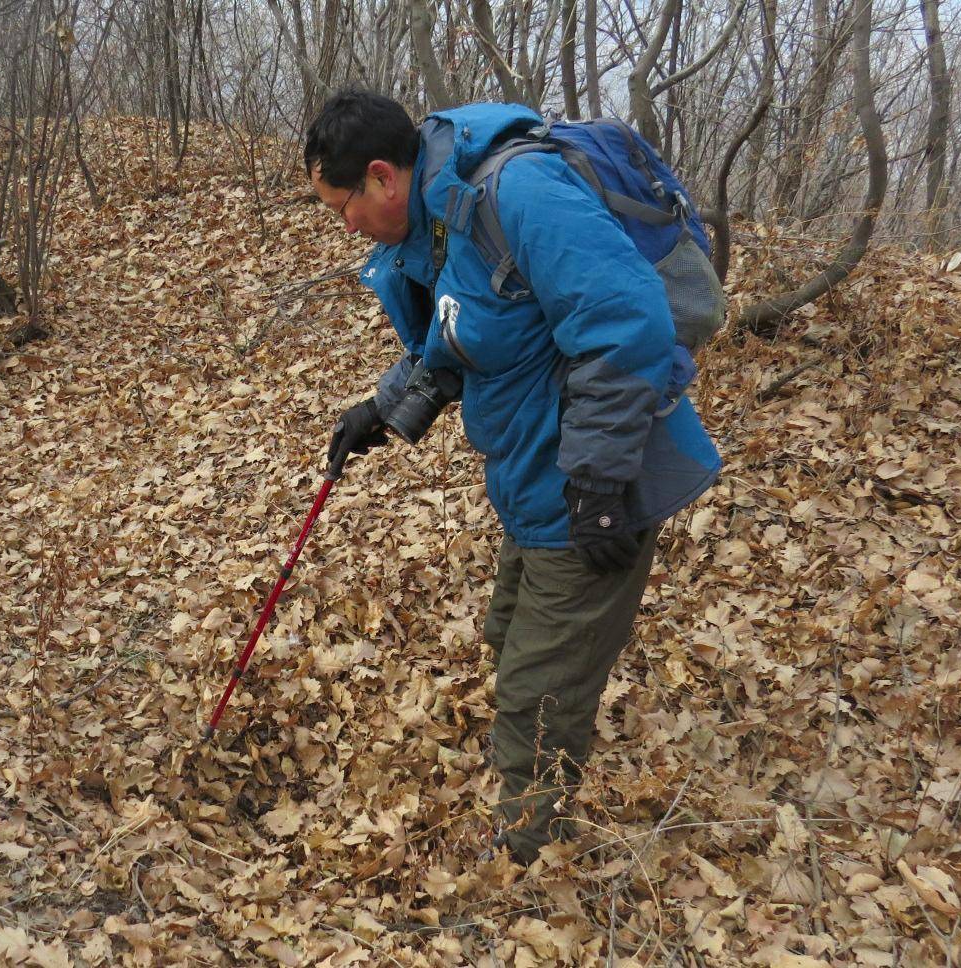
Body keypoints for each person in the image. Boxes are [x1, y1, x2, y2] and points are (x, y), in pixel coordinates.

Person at [306, 90, 721, 864]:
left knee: (538, 693)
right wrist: (381, 409)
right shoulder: (440, 224)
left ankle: (527, 861)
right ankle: (527, 799)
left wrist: (599, 486)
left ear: (380, 178)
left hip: (594, 487)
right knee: (509, 640)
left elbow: (626, 319)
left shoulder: (516, 193)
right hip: (536, 486)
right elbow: (466, 333)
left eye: (343, 209)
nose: (348, 228)